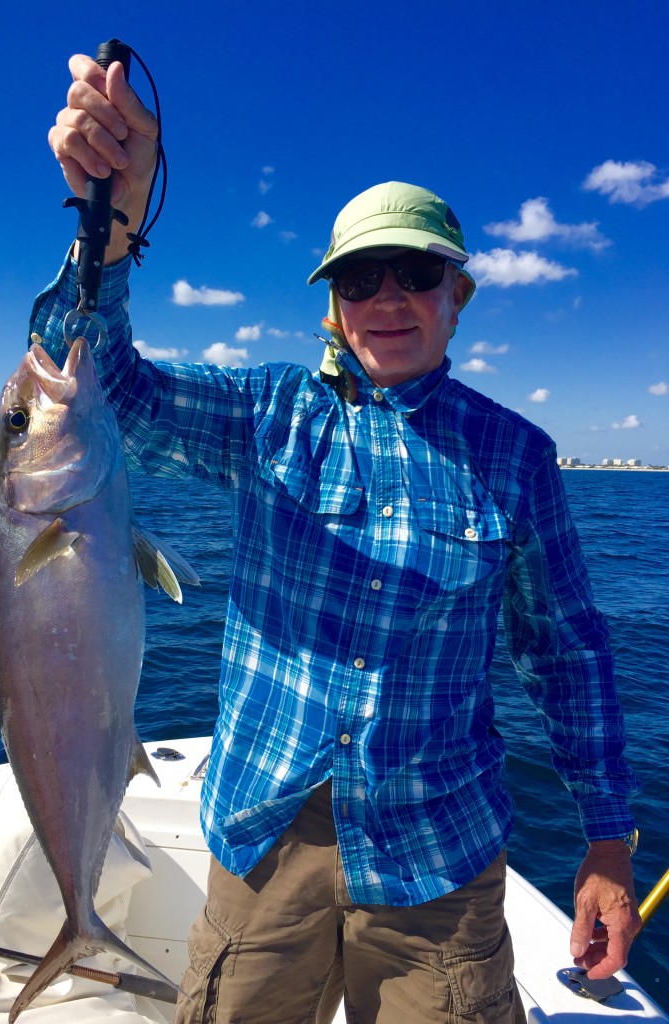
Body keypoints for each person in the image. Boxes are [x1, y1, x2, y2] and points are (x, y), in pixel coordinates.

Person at [34, 54, 642, 1024]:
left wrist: (608, 839)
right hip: (266, 844)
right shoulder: (271, 412)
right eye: (362, 276)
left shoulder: (519, 455)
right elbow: (97, 389)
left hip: (439, 859)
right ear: (333, 303)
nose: (389, 295)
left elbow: (567, 652)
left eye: (418, 272)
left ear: (458, 296)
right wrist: (109, 225)